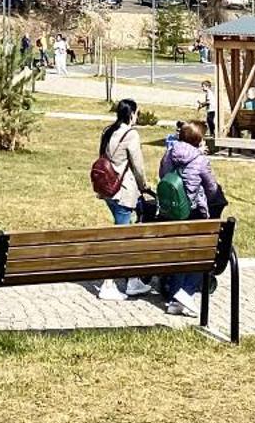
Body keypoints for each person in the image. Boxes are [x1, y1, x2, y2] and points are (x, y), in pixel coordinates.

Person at [157, 122, 223, 318]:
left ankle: (173, 298)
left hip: (171, 210)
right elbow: (211, 188)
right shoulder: (200, 160)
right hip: (192, 211)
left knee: (179, 254)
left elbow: (162, 174)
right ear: (198, 141)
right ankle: (185, 293)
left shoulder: (170, 152)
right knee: (202, 255)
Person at [94, 99, 154, 300]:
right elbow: (138, 166)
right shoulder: (131, 135)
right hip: (123, 191)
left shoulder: (108, 131)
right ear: (132, 114)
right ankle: (108, 283)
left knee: (125, 232)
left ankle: (132, 280)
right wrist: (145, 186)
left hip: (108, 189)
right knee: (122, 238)